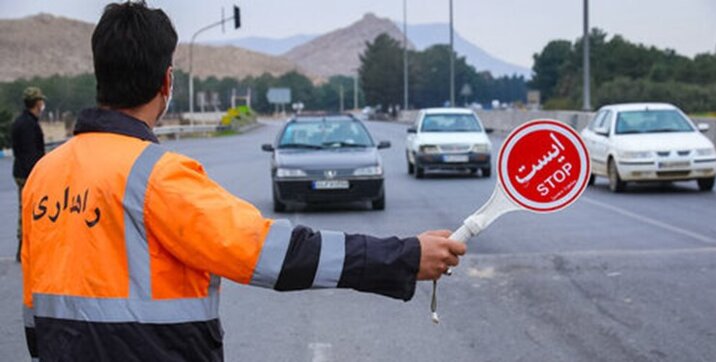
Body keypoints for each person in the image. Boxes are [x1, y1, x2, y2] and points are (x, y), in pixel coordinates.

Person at [20, 2, 466, 361]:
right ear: (167, 81)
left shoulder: (44, 173)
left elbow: (34, 313)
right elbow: (275, 254)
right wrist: (404, 257)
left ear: (100, 75)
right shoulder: (157, 175)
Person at [11, 86, 46, 262]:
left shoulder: (21, 122)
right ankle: (24, 248)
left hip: (21, 172)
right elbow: (31, 153)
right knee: (28, 210)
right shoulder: (29, 125)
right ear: (37, 103)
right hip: (28, 174)